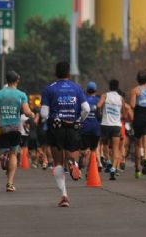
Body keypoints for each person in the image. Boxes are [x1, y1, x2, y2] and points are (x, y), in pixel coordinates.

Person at [40, 62, 90, 207]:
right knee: (71, 154)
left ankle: (64, 195)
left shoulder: (49, 89)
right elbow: (86, 108)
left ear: (56, 73)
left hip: (56, 128)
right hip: (73, 126)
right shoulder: (77, 88)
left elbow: (44, 113)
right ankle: (73, 163)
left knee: (57, 163)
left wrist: (49, 118)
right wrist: (79, 120)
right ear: (69, 73)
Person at [0, 70, 35, 192]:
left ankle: (3, 158)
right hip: (15, 128)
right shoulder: (21, 95)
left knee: (3, 152)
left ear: (7, 81)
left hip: (3, 128)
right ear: (17, 81)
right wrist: (32, 114)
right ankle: (10, 183)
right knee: (13, 154)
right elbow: (26, 111)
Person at [97, 79, 126, 181]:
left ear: (109, 86)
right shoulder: (121, 99)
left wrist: (99, 114)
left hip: (105, 124)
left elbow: (98, 106)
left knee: (104, 144)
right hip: (116, 126)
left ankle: (108, 161)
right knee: (115, 148)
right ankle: (113, 168)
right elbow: (124, 114)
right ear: (117, 87)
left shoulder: (105, 95)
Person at [79, 82, 101, 172]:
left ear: (87, 90)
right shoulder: (99, 100)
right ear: (95, 90)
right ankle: (89, 170)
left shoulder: (83, 100)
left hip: (85, 128)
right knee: (93, 150)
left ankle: (82, 162)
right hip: (96, 129)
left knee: (83, 149)